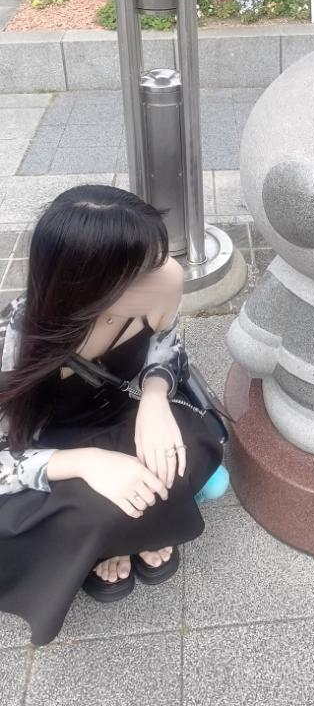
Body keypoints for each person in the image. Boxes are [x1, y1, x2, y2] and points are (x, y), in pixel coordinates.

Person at [0, 184, 229, 645]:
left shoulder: (163, 277)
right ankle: (128, 530)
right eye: (139, 274)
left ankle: (124, 530)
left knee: (191, 443)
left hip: (127, 413)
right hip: (52, 446)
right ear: (84, 285)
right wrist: (86, 463)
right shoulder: (15, 341)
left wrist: (156, 397)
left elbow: (165, 345)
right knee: (94, 509)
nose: (162, 278)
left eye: (157, 259)